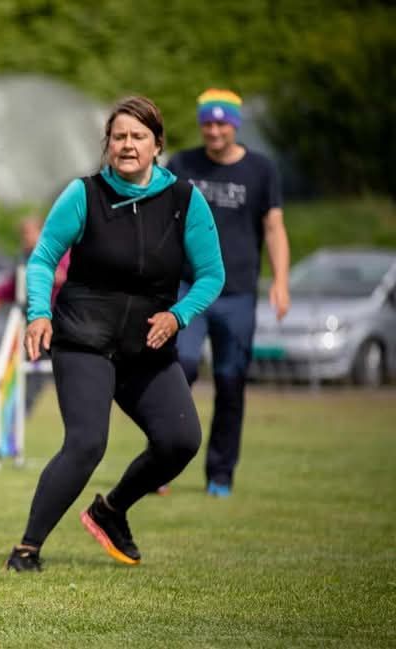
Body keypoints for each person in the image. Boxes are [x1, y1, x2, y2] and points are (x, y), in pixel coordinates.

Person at [4, 96, 225, 572]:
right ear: (108, 145)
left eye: (138, 137)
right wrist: (38, 314)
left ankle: (111, 511)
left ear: (157, 145)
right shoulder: (84, 194)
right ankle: (26, 549)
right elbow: (43, 258)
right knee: (86, 443)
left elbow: (211, 274)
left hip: (146, 345)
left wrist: (179, 316)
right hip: (84, 338)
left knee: (180, 440)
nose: (128, 145)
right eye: (119, 137)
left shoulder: (185, 201)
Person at [167, 89, 290, 498]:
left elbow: (273, 228)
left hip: (237, 292)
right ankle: (163, 460)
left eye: (222, 123)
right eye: (207, 122)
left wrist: (281, 280)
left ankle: (220, 474)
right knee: (178, 367)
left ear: (235, 125)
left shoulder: (261, 170)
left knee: (230, 381)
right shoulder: (183, 164)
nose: (214, 130)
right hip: (188, 287)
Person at [0, 217, 69, 416]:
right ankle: (17, 410)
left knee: (42, 368)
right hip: (30, 322)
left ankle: (22, 409)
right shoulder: (23, 257)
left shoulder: (58, 250)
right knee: (28, 365)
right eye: (23, 234)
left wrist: (50, 273)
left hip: (58, 320)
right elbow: (12, 287)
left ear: (42, 232)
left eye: (28, 233)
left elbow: (66, 277)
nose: (25, 238)